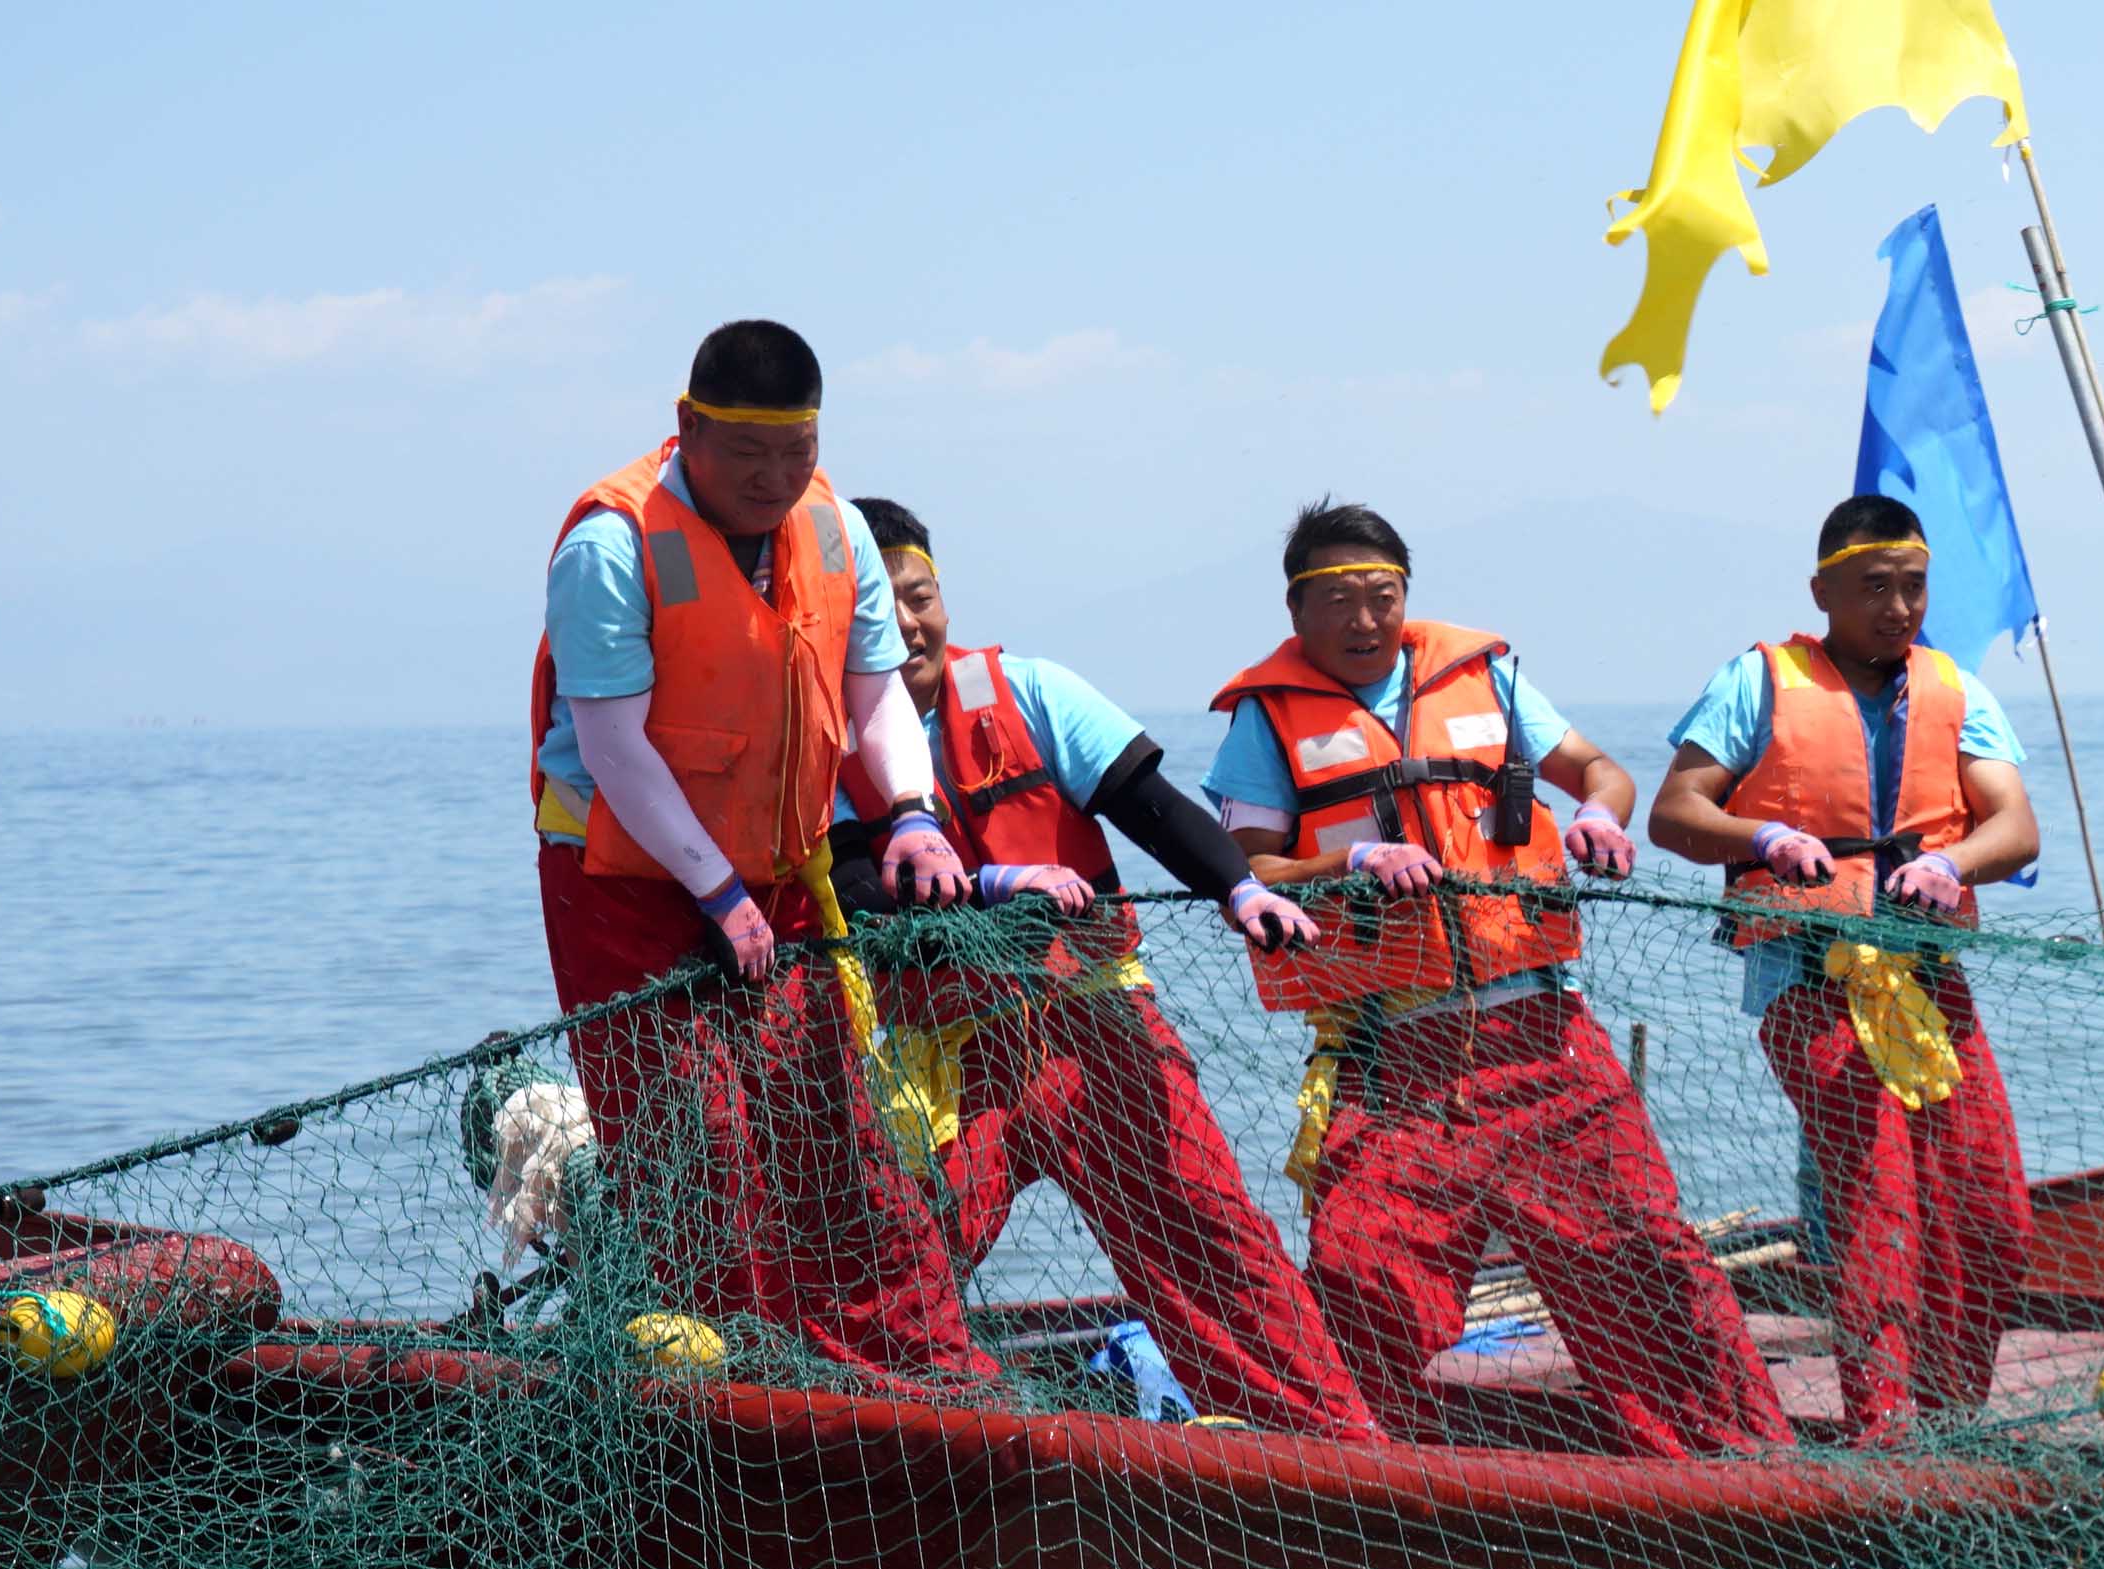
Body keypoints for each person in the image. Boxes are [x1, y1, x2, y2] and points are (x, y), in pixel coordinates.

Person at [1205, 502, 1789, 1459]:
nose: (1364, 622)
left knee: (1645, 1258)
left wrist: (1602, 815)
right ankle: (1362, 1475)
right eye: (1339, 602)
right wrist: (1346, 868)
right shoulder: (1266, 722)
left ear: (1407, 598)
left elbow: (1598, 771)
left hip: (1547, 1037)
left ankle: (1737, 1468)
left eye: (1382, 597)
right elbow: (1248, 868)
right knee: (1361, 1264)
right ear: (1296, 611)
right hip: (1394, 1058)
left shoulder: (1487, 677)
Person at [841, 499, 1385, 1439]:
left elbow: (1153, 807)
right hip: (945, 1060)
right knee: (892, 1256)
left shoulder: (1033, 689)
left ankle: (1336, 1446)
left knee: (1214, 1248)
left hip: (1098, 1035)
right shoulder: (823, 735)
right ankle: (883, 1446)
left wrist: (1239, 890)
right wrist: (996, 882)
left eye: (921, 597)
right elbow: (851, 884)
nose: (910, 624)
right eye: (880, 610)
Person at [527, 319, 998, 1389]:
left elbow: (874, 692)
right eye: (749, 458)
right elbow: (612, 744)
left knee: (830, 1125)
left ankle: (900, 1360)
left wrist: (914, 813)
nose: (777, 481)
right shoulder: (612, 543)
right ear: (688, 427)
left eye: (797, 453)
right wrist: (714, 888)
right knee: (701, 1140)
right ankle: (736, 1380)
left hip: (778, 879)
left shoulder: (829, 522)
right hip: (623, 882)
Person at [1645, 495, 2049, 1440]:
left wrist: (1953, 862)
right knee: (1880, 1202)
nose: (1899, 608)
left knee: (1993, 1213)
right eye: (1875, 588)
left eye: (1914, 587)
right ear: (1823, 590)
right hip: (1810, 980)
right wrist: (1765, 834)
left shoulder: (1953, 689)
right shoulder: (1759, 681)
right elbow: (1674, 813)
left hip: (1929, 986)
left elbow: (2015, 825)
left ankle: (1955, 1414)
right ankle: (1888, 1423)